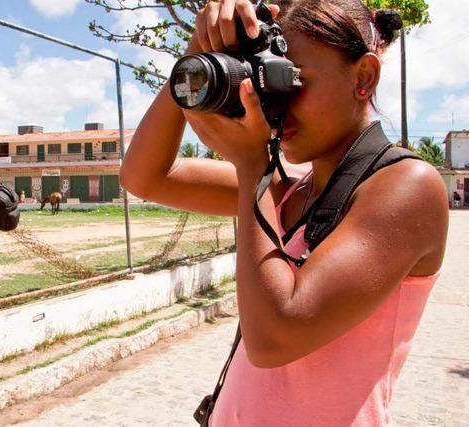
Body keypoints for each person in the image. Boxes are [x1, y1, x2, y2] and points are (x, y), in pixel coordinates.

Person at [120, 0, 448, 425]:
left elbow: (275, 337)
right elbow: (145, 176)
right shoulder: (289, 189)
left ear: (364, 77)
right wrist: (197, 54)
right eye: (267, 81)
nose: (277, 101)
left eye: (294, 80)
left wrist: (252, 165)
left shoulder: (408, 186)